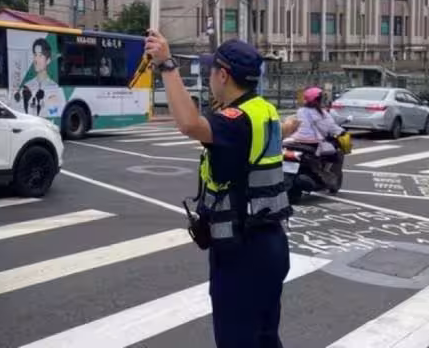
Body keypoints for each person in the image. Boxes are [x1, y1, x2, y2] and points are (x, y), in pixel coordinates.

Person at [145, 31, 300, 348]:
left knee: (238, 340)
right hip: (270, 245)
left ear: (224, 75)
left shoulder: (234, 120)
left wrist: (167, 65)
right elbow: (277, 132)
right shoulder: (264, 111)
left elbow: (189, 124)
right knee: (265, 337)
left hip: (242, 253)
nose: (209, 76)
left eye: (211, 70)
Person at [286, 87, 346, 152]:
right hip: (313, 141)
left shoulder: (300, 111)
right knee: (333, 150)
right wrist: (341, 132)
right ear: (319, 99)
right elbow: (330, 126)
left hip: (297, 139)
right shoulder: (322, 113)